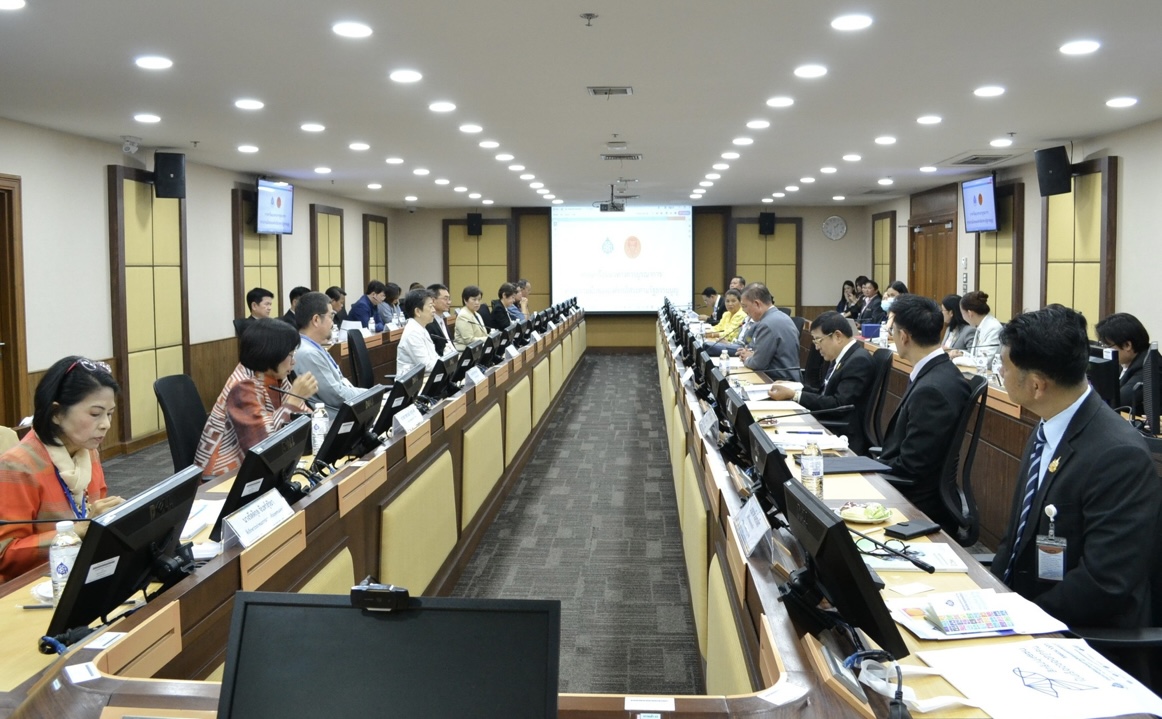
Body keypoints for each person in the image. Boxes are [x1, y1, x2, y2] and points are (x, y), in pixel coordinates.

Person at [991, 305, 1160, 644]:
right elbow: (1016, 540)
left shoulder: (1118, 455)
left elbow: (1104, 584)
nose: (1000, 372)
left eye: (1004, 367)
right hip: (1023, 614)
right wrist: (988, 597)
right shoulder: (1048, 426)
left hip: (1079, 637)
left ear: (1037, 385)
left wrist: (1021, 620)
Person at [0, 357, 125, 582]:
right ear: (56, 413)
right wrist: (76, 532)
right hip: (35, 583)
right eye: (95, 414)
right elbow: (5, 554)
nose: (106, 424)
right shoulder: (18, 466)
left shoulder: (87, 451)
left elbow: (95, 513)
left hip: (78, 569)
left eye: (109, 413)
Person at [875, 294, 971, 529]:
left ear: (904, 336)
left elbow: (912, 467)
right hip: (912, 492)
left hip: (917, 506)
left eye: (893, 330)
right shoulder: (938, 372)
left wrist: (868, 472)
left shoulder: (932, 390)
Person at [195, 319, 318, 478]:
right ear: (272, 353)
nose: (293, 361)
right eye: (290, 355)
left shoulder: (274, 376)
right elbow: (264, 446)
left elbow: (305, 421)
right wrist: (294, 400)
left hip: (262, 468)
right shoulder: (241, 386)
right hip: (224, 476)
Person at [768, 312, 874, 453]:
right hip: (828, 424)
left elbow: (839, 405)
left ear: (837, 336)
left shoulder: (858, 361)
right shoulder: (843, 357)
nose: (817, 347)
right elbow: (824, 394)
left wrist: (795, 395)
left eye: (818, 340)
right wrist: (795, 388)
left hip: (841, 435)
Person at [293, 292, 363, 419]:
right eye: (331, 316)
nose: (333, 323)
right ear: (316, 320)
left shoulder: (312, 346)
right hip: (333, 420)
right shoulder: (309, 353)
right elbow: (336, 395)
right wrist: (370, 394)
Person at [735, 283, 799, 380]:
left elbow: (757, 364)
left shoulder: (767, 324)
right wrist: (754, 356)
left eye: (745, 306)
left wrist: (747, 358)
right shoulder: (782, 316)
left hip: (780, 381)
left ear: (757, 304)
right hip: (788, 377)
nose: (744, 311)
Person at [1095, 312, 1151, 413]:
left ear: (1127, 345)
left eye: (1107, 346)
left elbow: (1118, 403)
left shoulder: (1149, 368)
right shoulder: (1125, 361)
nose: (1105, 350)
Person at [396, 288, 440, 378]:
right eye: (430, 306)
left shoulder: (421, 327)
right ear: (417, 311)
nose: (434, 310)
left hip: (424, 378)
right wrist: (444, 363)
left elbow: (433, 357)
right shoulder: (412, 333)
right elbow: (426, 366)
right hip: (411, 383)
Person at [951, 290, 1001, 364]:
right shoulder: (980, 325)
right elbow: (975, 356)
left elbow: (984, 361)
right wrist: (962, 354)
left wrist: (957, 359)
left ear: (970, 313)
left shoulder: (993, 328)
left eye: (962, 313)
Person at [454, 285, 491, 351]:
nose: (477, 302)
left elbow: (483, 335)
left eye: (479, 299)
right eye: (474, 299)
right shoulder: (463, 316)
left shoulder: (477, 314)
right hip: (465, 352)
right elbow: (469, 340)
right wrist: (488, 338)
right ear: (465, 300)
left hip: (478, 349)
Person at [426, 283, 453, 356]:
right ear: (433, 301)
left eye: (449, 299)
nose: (449, 302)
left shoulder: (442, 319)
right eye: (445, 299)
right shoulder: (428, 324)